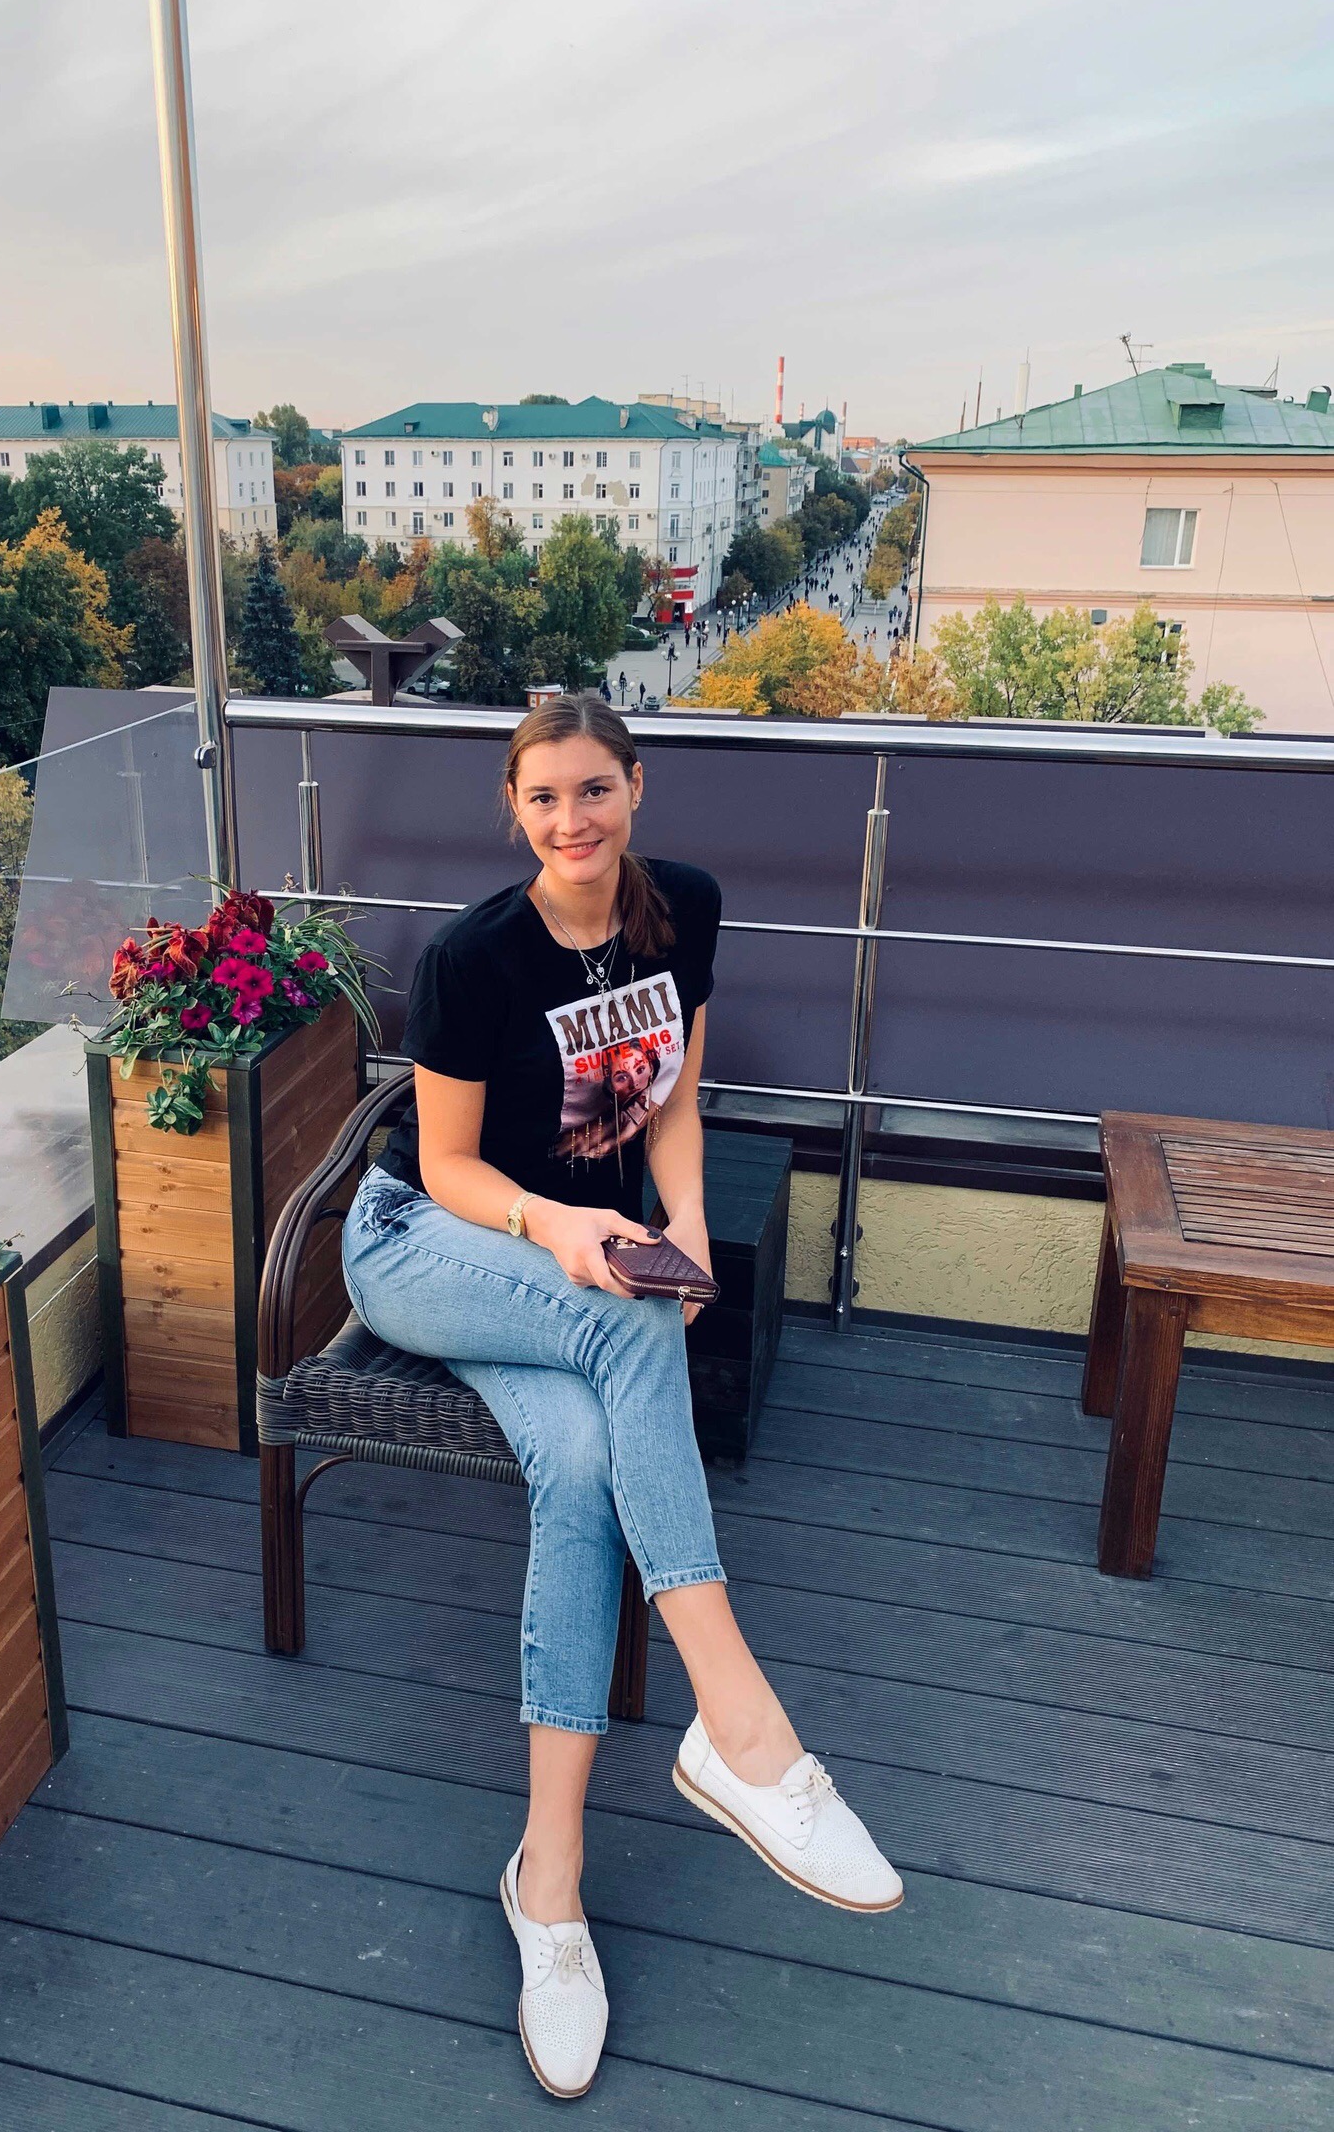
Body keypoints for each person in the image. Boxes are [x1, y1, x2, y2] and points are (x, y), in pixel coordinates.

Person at [341, 696, 902, 2102]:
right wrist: (560, 1228)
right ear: (513, 809)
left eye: (594, 790)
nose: (570, 820)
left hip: (561, 1269)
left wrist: (686, 1220)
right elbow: (447, 1166)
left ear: (637, 787)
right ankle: (742, 1725)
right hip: (427, 1246)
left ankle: (550, 1884)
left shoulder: (682, 910)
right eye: (543, 798)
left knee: (587, 1463)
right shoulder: (473, 957)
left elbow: (673, 1098)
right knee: (635, 1328)